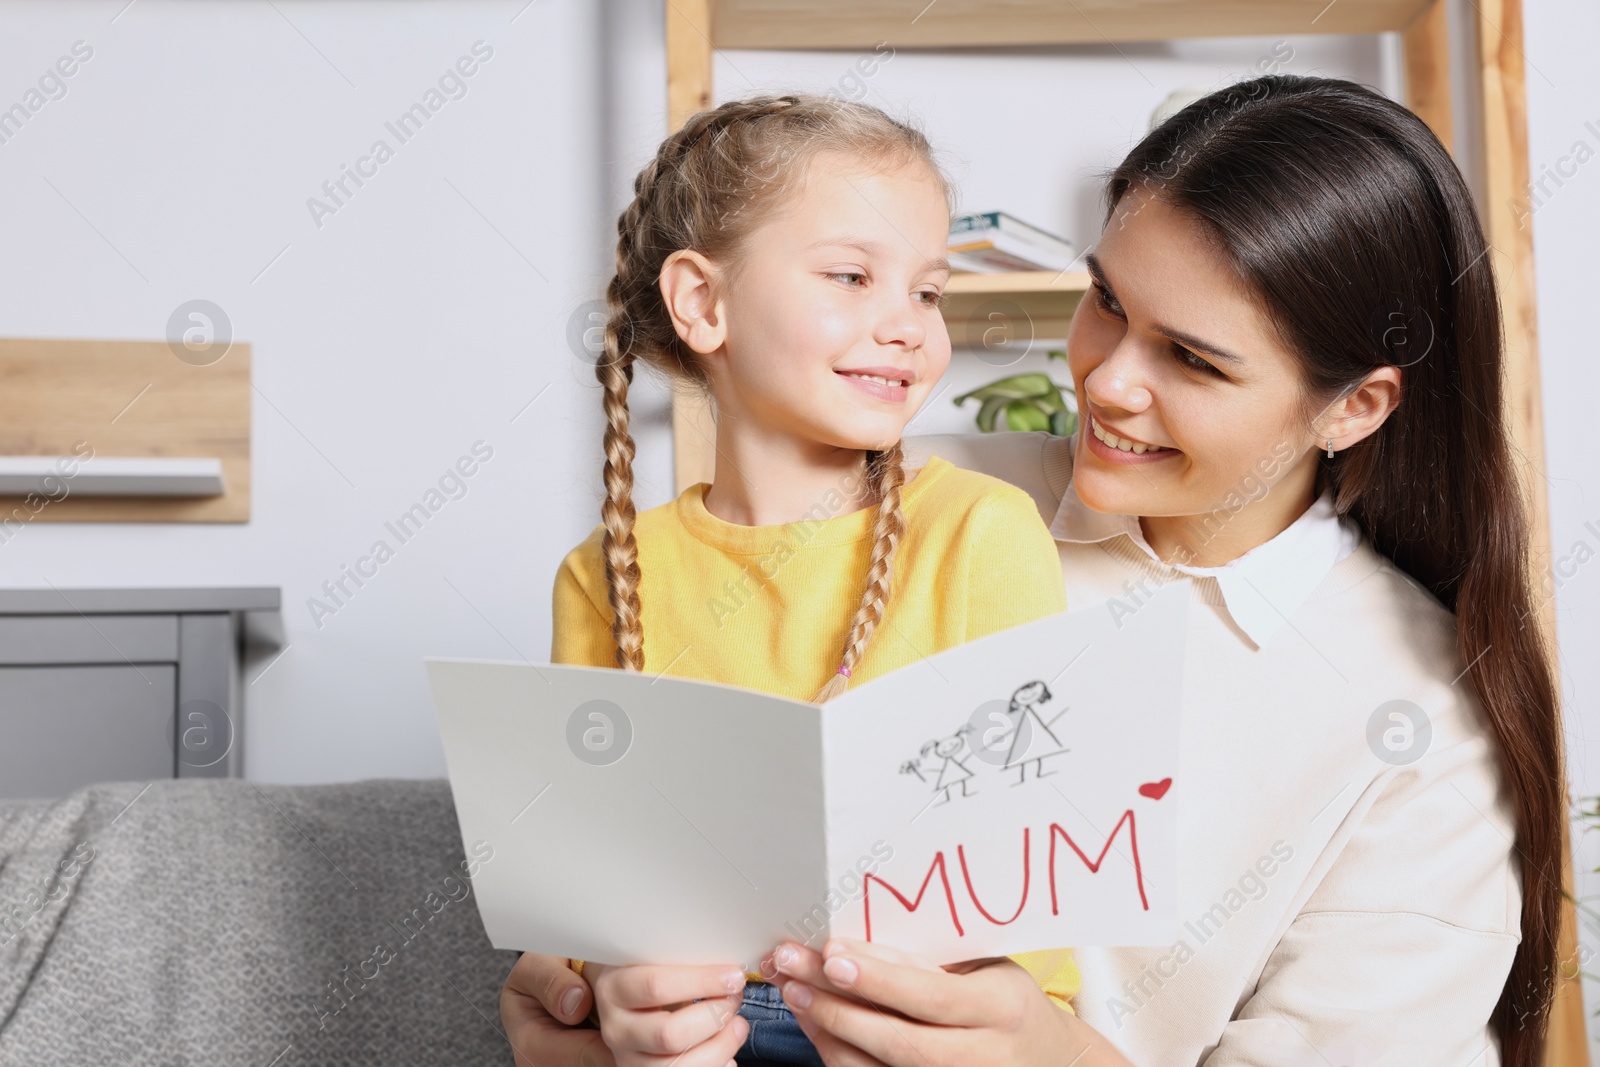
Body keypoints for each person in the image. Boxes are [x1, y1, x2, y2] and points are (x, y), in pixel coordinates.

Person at [505, 75, 1563, 1065]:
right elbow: (628, 876)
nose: (1106, 383)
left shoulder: (1418, 727)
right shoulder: (909, 498)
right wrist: (571, 1003)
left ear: (1354, 406)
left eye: (1191, 359)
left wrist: (1054, 1054)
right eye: (1105, 301)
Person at [547, 93, 1080, 1067]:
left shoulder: (981, 534)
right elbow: (593, 906)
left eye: (927, 291)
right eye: (850, 275)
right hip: (705, 1025)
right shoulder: (602, 575)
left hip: (920, 1026)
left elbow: (1031, 883)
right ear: (703, 303)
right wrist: (614, 1002)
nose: (910, 327)